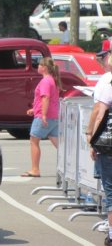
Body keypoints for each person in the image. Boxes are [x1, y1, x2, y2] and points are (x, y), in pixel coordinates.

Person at [86, 53, 112, 246]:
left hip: (109, 144)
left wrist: (92, 139)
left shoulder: (108, 82)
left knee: (111, 191)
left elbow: (100, 112)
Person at [21, 57, 62, 177]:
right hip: (54, 115)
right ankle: (73, 164)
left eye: (39, 65)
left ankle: (35, 169)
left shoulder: (45, 81)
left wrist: (42, 115)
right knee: (58, 143)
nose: (37, 67)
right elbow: (49, 99)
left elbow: (46, 98)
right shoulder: (53, 80)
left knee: (34, 140)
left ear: (44, 68)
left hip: (45, 116)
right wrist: (34, 109)